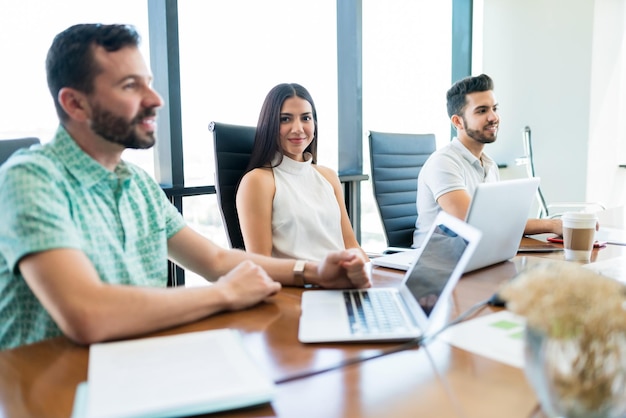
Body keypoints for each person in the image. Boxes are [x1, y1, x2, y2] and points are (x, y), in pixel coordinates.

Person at [0, 24, 370, 351]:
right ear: (75, 104)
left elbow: (217, 260)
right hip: (52, 389)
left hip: (136, 366)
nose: (155, 99)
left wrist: (313, 272)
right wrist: (223, 294)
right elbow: (88, 314)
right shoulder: (31, 178)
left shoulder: (137, 184)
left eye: (149, 82)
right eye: (131, 85)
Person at [413, 74, 562, 247]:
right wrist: (552, 225)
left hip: (476, 254)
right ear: (458, 121)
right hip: (437, 264)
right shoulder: (443, 163)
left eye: (494, 109)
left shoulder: (489, 165)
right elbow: (474, 222)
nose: (493, 117)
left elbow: (496, 221)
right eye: (482, 111)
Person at [236, 83, 368, 263]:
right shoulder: (258, 181)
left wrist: (371, 277)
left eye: (306, 118)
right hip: (298, 287)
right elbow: (261, 264)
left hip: (342, 282)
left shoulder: (328, 176)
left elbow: (351, 245)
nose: (298, 128)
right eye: (285, 119)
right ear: (270, 125)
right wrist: (316, 275)